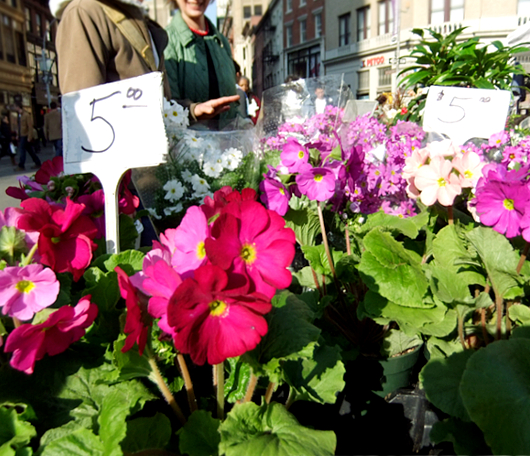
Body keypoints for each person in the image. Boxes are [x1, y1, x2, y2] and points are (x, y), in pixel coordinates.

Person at [164, 0, 241, 127]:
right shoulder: (166, 42)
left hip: (227, 143)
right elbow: (167, 107)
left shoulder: (222, 42)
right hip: (188, 144)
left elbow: (232, 106)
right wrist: (193, 110)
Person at [13, 103, 41, 171]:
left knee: (22, 150)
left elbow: (30, 126)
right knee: (30, 150)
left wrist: (29, 136)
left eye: (15, 107)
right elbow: (19, 126)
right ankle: (37, 162)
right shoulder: (19, 116)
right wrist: (17, 135)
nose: (14, 108)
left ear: (18, 107)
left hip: (25, 135)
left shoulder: (26, 115)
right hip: (22, 135)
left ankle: (21, 165)